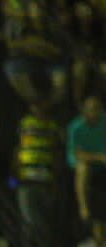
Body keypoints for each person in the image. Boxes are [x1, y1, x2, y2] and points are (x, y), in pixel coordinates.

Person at [15, 99, 62, 238]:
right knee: (29, 219)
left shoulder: (52, 126)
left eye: (40, 104)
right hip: (26, 179)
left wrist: (54, 180)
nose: (37, 108)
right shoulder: (26, 123)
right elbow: (18, 149)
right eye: (34, 105)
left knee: (43, 219)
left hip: (45, 180)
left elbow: (56, 152)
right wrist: (13, 180)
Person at [67, 95, 106, 223]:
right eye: (93, 109)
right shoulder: (75, 127)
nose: (96, 112)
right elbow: (78, 154)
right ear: (85, 110)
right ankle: (84, 208)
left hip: (101, 160)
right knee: (83, 168)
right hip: (83, 161)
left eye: (98, 108)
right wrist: (99, 157)